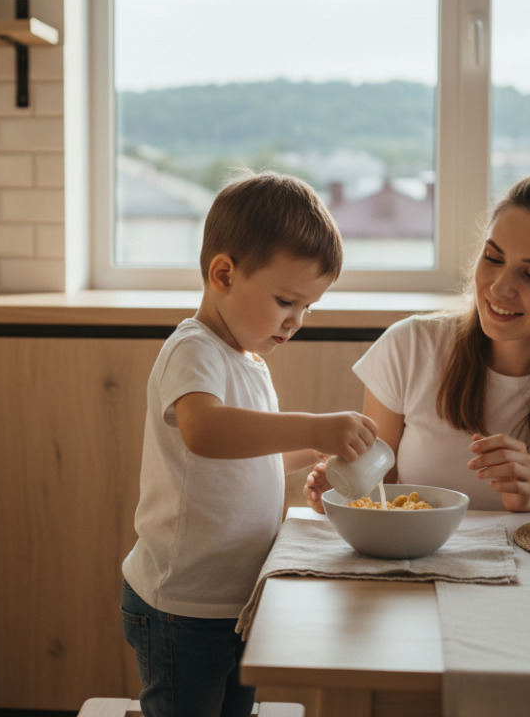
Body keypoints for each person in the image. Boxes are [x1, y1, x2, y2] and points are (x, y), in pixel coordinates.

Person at [120, 170, 378, 717]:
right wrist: (312, 426)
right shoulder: (194, 349)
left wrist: (318, 449)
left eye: (307, 307)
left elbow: (246, 458)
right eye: (286, 300)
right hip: (183, 604)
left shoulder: (246, 359)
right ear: (223, 274)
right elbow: (207, 433)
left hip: (234, 599)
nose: (296, 321)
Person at [306, 168, 530, 513]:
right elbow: (376, 497)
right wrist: (338, 494)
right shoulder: (409, 347)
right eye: (493, 258)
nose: (499, 287)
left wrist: (527, 504)